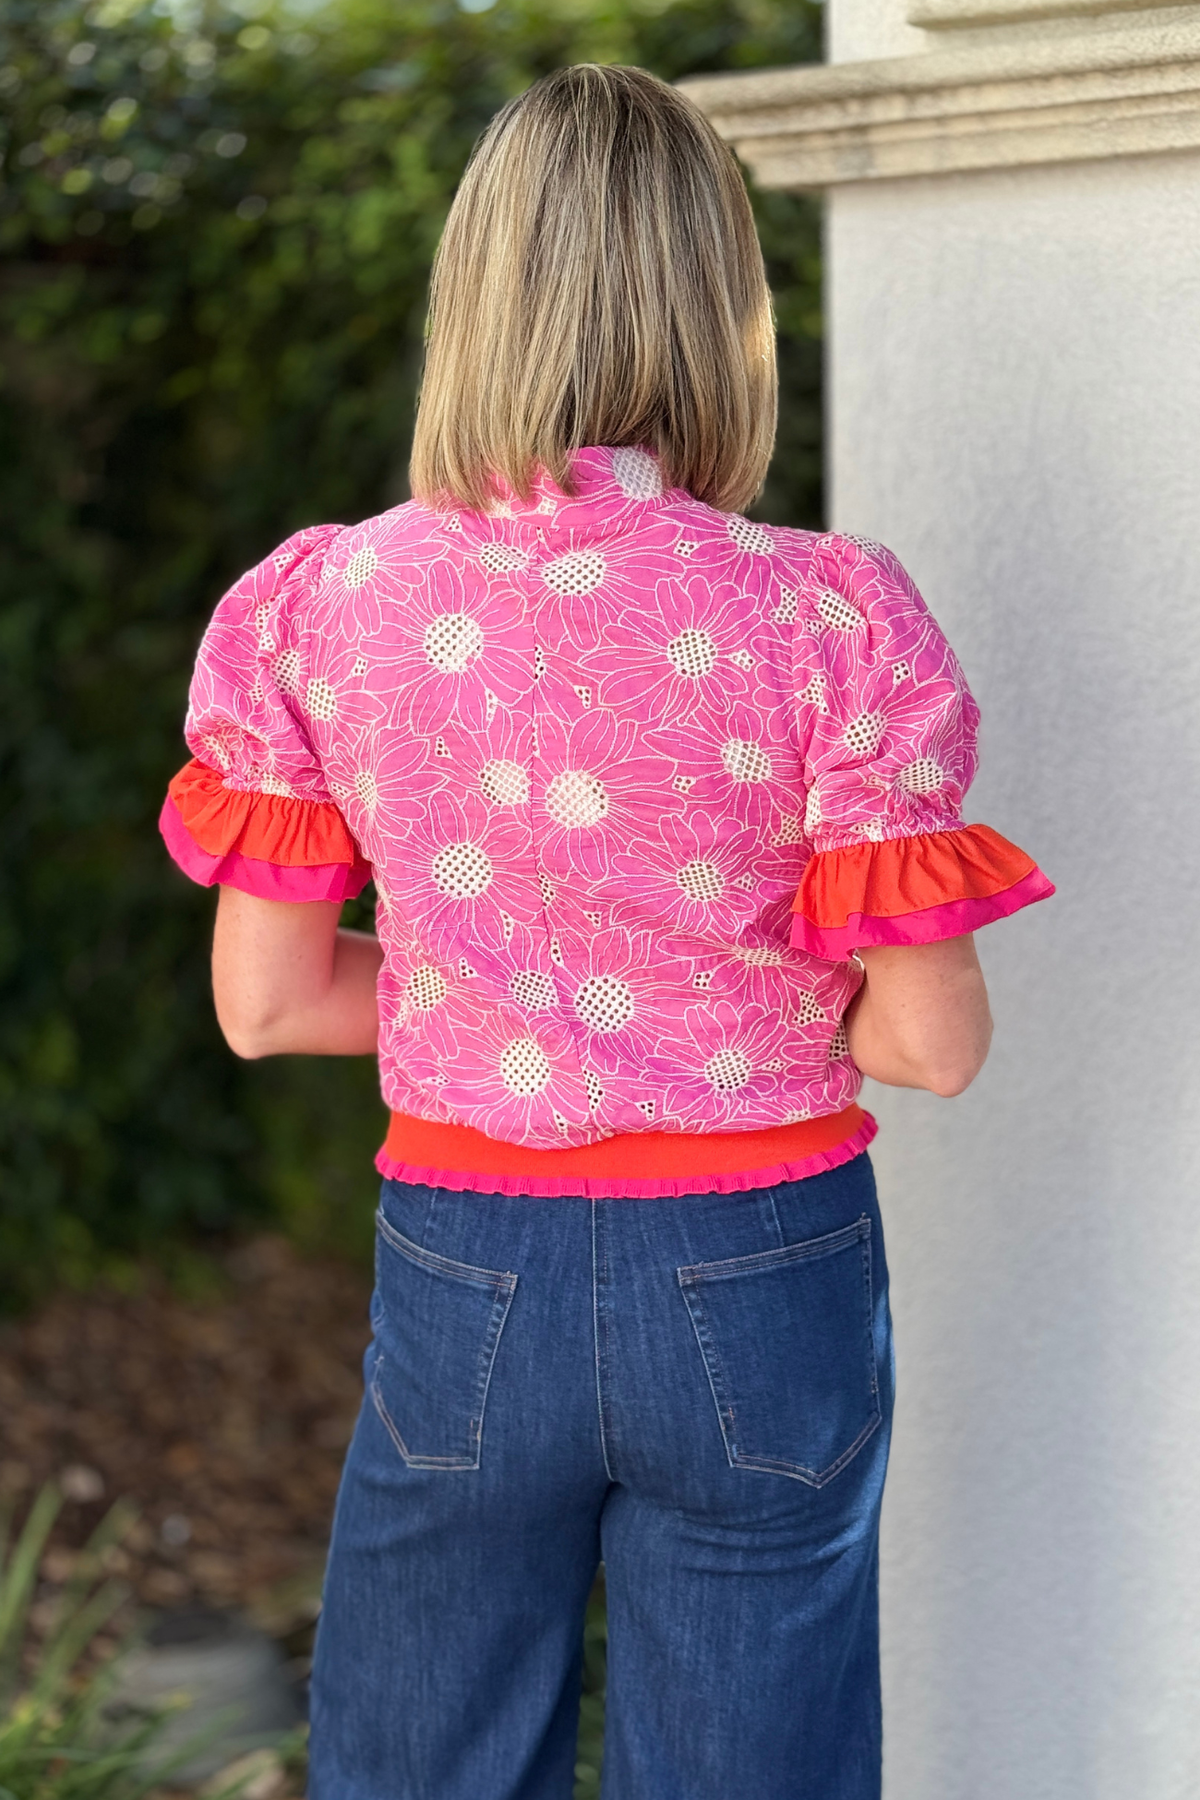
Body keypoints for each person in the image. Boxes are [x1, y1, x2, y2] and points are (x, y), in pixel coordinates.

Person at [159, 62, 1053, 1800]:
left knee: (419, 1760)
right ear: (722, 310)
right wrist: (717, 1000)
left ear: (472, 301)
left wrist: (508, 1000)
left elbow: (266, 1009)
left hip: (465, 1258)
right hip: (762, 1262)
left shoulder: (326, 603)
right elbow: (929, 1040)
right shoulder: (828, 615)